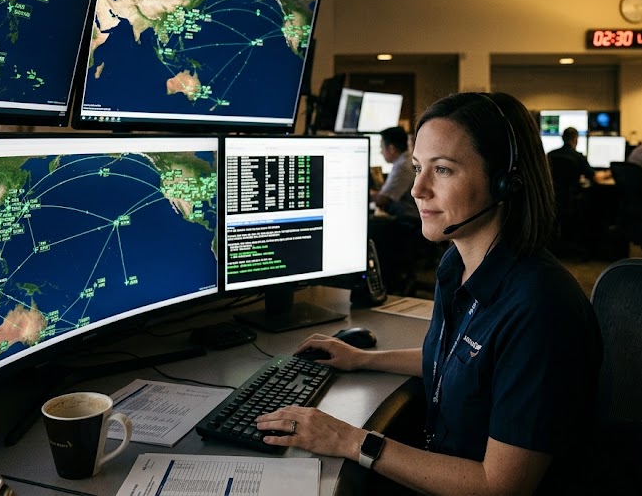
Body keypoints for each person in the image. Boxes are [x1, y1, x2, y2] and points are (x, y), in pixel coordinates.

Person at [257, 92, 603, 494]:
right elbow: (459, 360)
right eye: (418, 167)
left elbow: (499, 487)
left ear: (506, 181)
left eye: (442, 170)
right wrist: (363, 359)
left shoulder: (539, 309)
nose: (417, 189)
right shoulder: (457, 265)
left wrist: (349, 440)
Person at [370, 126, 418, 223]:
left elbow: (382, 199)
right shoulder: (405, 161)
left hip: (412, 221)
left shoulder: (402, 167)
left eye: (382, 148)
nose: (380, 152)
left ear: (391, 148)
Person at [546, 127, 611, 185]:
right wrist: (608, 173)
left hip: (553, 196)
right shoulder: (578, 157)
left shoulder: (550, 155)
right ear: (576, 139)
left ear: (562, 138)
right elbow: (595, 177)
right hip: (571, 196)